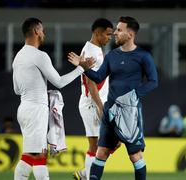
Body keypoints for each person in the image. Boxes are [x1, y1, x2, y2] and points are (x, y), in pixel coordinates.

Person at [69, 16, 158, 180]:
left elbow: (153, 82)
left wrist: (134, 95)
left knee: (135, 155)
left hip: (130, 112)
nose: (115, 33)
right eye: (115, 30)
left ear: (130, 34)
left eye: (119, 30)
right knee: (101, 152)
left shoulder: (143, 56)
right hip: (110, 110)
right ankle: (87, 176)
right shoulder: (111, 56)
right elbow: (97, 77)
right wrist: (83, 67)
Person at [12, 17, 94, 180]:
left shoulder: (18, 57)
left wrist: (37, 89)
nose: (43, 33)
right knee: (40, 157)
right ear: (36, 31)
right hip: (36, 110)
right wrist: (81, 69)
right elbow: (59, 82)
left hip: (24, 109)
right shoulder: (39, 55)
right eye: (41, 30)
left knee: (29, 156)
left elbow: (16, 90)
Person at [73, 18, 113, 180]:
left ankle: (86, 173)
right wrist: (100, 107)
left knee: (112, 142)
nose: (110, 37)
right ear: (97, 33)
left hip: (97, 102)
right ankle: (88, 175)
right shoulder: (90, 52)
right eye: (108, 34)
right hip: (92, 104)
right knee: (96, 145)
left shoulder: (94, 49)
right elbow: (91, 83)